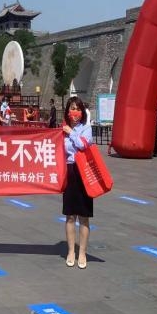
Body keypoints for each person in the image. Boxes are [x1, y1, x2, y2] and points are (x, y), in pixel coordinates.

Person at [61, 96, 94, 269]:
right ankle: (70, 251)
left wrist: (71, 133)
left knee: (84, 215)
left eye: (78, 108)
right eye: (72, 108)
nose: (75, 112)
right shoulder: (62, 129)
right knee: (69, 215)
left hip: (84, 172)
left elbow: (83, 144)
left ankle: (82, 252)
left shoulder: (86, 128)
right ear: (67, 110)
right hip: (69, 171)